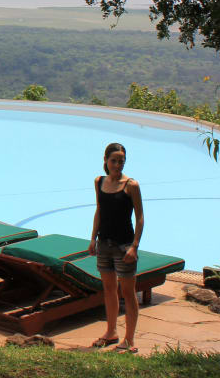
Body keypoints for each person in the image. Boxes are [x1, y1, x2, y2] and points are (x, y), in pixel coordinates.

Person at [87, 142, 144, 353]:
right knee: (109, 289)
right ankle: (111, 332)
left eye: (121, 161)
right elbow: (99, 210)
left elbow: (139, 218)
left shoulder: (131, 185)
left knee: (128, 292)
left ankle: (129, 339)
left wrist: (135, 246)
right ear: (105, 161)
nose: (117, 165)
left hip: (124, 246)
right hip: (104, 243)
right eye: (114, 160)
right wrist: (93, 238)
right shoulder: (99, 182)